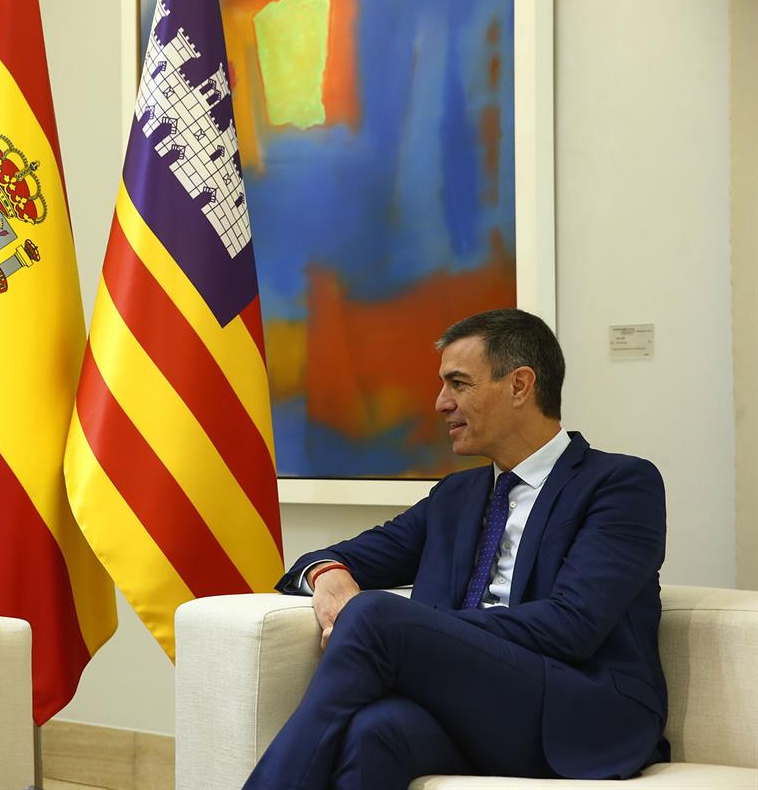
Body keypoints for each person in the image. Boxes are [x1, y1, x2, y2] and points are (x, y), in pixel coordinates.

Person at [244, 309, 669, 790]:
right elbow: (337, 557)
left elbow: (573, 626)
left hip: (580, 711)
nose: (440, 403)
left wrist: (422, 632)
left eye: (459, 384)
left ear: (519, 385)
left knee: (375, 617)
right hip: (472, 707)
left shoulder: (619, 484)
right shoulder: (455, 496)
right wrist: (327, 573)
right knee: (374, 732)